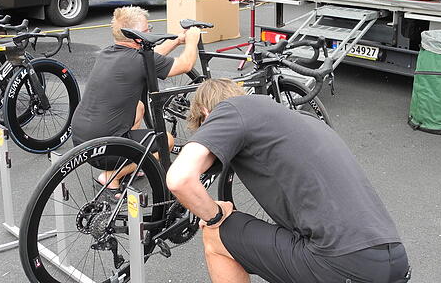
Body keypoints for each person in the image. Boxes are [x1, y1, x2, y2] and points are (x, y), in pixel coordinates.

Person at [167, 79, 411, 283]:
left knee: (216, 234)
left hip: (342, 263)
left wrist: (215, 214)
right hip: (395, 259)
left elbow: (179, 179)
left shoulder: (230, 110)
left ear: (207, 115)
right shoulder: (303, 120)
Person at [71, 5, 201, 194]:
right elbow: (185, 64)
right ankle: (111, 176)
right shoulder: (137, 60)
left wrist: (177, 40)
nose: (150, 32)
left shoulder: (109, 53)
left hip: (82, 141)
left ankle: (130, 161)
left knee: (139, 107)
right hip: (104, 151)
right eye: (148, 30)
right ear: (138, 35)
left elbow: (150, 59)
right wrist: (192, 41)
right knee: (168, 141)